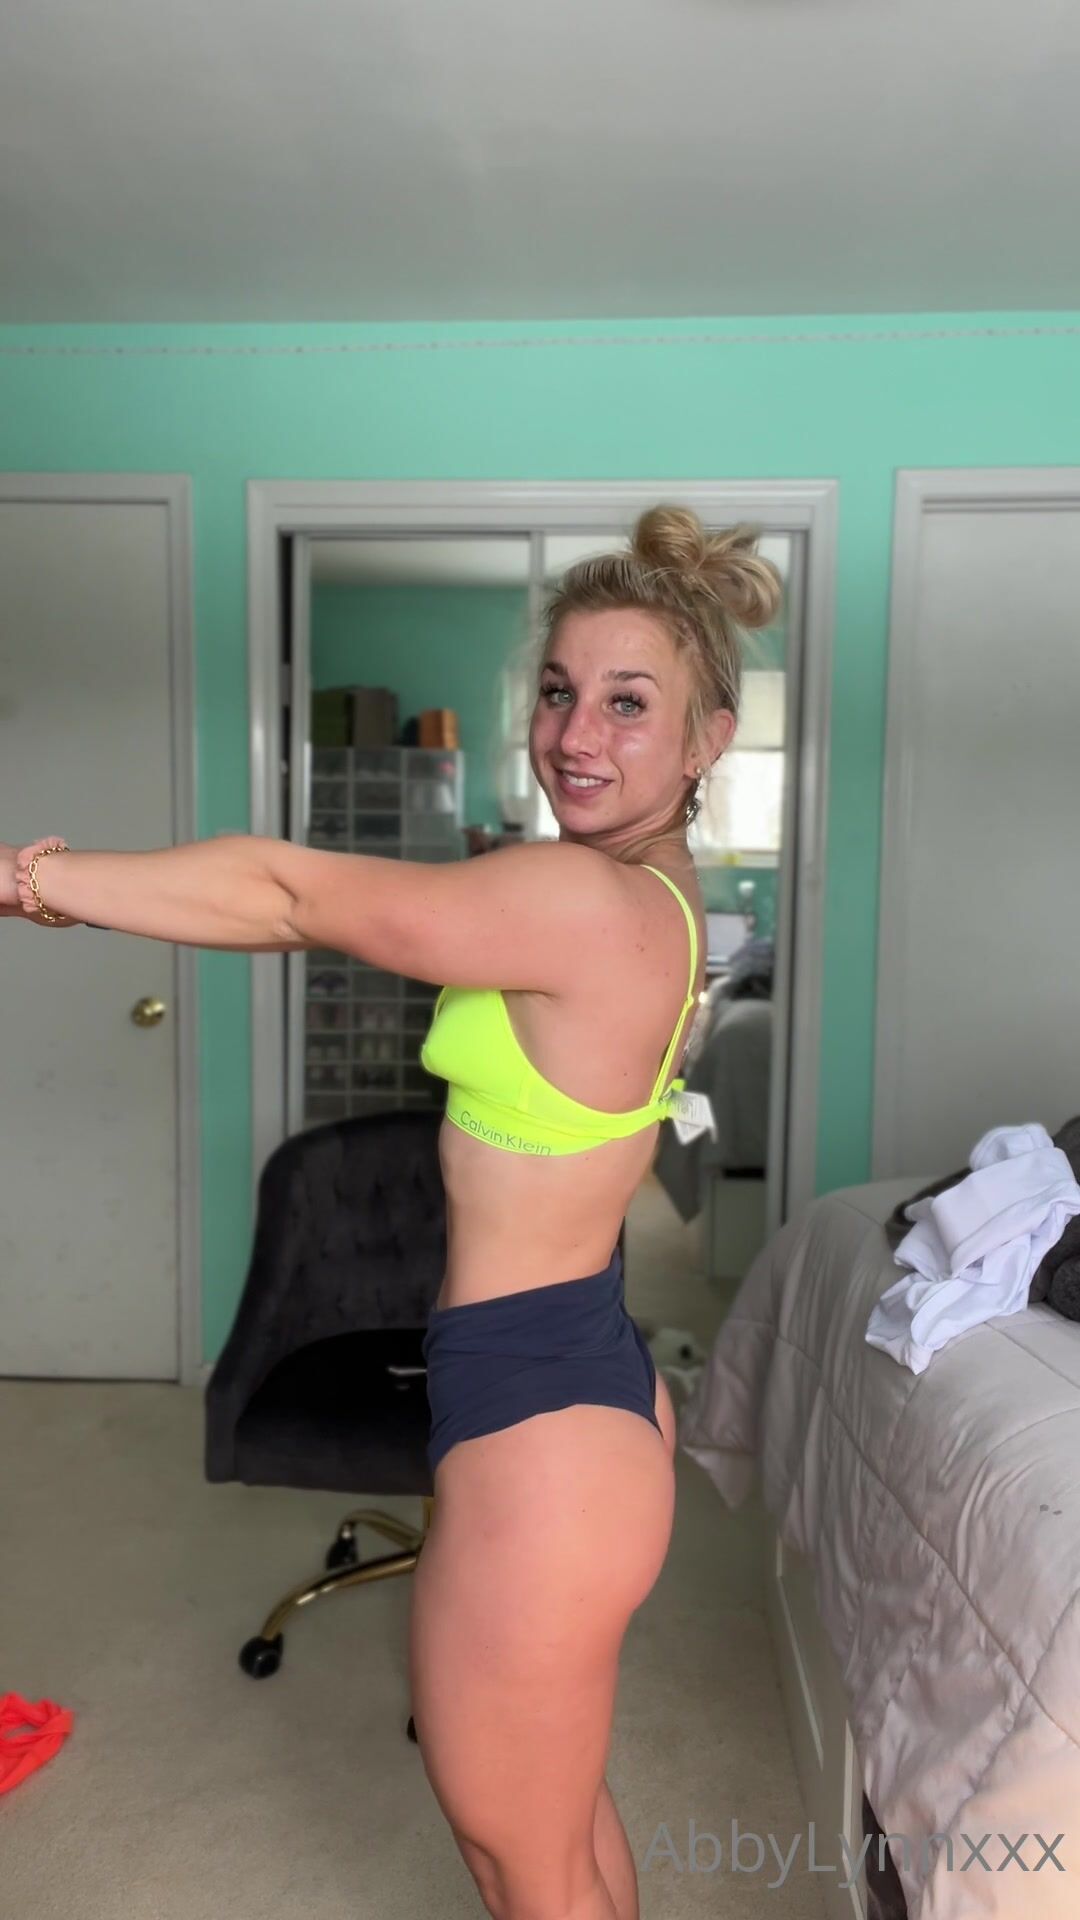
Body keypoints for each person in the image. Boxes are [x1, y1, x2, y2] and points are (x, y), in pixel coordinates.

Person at [2, 503, 782, 1919]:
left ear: (707, 738)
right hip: (573, 1381)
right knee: (554, 1829)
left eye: (628, 702)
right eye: (558, 692)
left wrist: (32, 880)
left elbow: (287, 890)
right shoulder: (657, 894)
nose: (576, 735)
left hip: (545, 1430)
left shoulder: (582, 899)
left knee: (518, 1855)